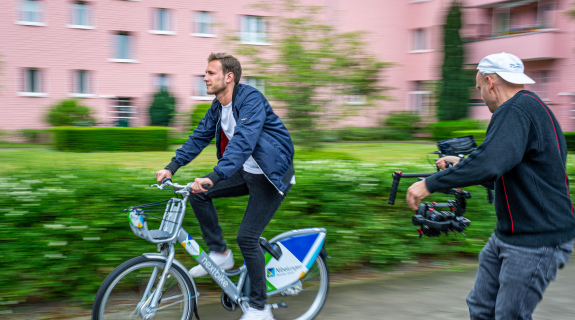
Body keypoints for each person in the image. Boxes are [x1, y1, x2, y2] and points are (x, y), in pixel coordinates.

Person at [406, 52, 575, 319]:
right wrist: (462, 163)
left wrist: (430, 184)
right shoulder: (529, 106)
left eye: (478, 88)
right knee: (481, 307)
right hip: (510, 235)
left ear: (490, 82)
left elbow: (490, 164)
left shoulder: (515, 111)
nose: (480, 95)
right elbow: (503, 167)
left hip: (537, 239)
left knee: (509, 315)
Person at [156, 52, 295, 320]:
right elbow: (198, 137)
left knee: (247, 237)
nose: (204, 77)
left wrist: (216, 175)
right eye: (205, 73)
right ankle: (220, 253)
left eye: (210, 73)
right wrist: (172, 167)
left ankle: (259, 308)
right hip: (246, 172)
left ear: (228, 77)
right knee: (197, 194)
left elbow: (244, 141)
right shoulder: (217, 107)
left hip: (270, 175)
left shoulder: (250, 99)